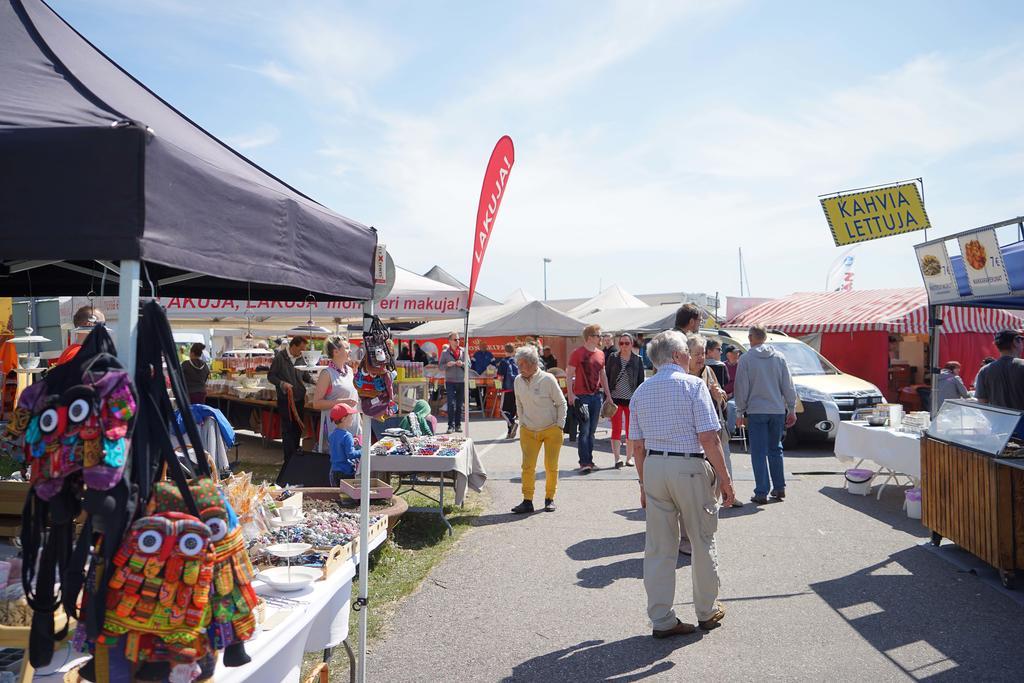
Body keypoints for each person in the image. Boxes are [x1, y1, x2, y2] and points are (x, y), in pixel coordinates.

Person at [629, 330, 734, 639]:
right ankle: (706, 610)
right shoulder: (693, 385)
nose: (691, 357)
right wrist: (726, 481)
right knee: (702, 540)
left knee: (659, 547)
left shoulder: (642, 390)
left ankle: (661, 618)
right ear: (676, 356)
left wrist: (642, 483)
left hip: (654, 466)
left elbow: (637, 446)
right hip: (688, 465)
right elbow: (709, 438)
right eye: (687, 352)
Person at [734, 324, 797, 505]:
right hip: (777, 409)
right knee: (775, 448)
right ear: (765, 336)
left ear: (751, 338)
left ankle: (761, 491)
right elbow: (788, 385)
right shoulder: (779, 357)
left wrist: (740, 410)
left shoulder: (746, 359)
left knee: (759, 452)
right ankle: (779, 487)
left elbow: (741, 387)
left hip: (756, 410)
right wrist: (791, 408)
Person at [512, 345, 568, 514]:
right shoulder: (517, 380)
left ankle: (549, 499)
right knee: (527, 466)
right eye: (518, 364)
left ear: (533, 363)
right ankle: (527, 501)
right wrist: (522, 423)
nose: (520, 368)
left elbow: (561, 403)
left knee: (551, 466)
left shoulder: (548, 379)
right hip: (528, 430)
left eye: (522, 364)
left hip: (551, 429)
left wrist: (560, 425)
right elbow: (518, 404)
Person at [566, 324, 613, 473]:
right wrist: (571, 394)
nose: (601, 338)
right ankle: (584, 462)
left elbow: (603, 375)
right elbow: (569, 374)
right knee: (584, 431)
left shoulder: (600, 354)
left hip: (596, 396)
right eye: (599, 335)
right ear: (590, 337)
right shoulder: (577, 353)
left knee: (592, 431)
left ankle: (589, 461)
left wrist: (608, 395)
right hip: (582, 397)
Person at [268, 336, 313, 482]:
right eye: (301, 348)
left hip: (299, 398)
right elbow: (271, 376)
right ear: (293, 346)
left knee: (298, 428)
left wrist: (314, 380)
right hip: (285, 399)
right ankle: (288, 459)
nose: (302, 352)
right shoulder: (280, 357)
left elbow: (304, 375)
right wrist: (282, 384)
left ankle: (295, 456)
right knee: (287, 429)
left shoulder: (301, 358)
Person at [310, 336, 360, 451]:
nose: (350, 350)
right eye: (346, 348)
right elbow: (316, 404)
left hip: (354, 428)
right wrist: (342, 403)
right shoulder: (326, 374)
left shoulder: (350, 371)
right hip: (335, 432)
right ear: (336, 352)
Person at [605, 333, 645, 468]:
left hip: (631, 400)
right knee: (616, 429)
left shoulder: (637, 360)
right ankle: (617, 458)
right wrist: (607, 397)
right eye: (621, 343)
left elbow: (640, 382)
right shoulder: (613, 358)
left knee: (630, 430)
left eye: (627, 343)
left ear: (632, 344)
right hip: (615, 399)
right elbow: (608, 376)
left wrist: (639, 400)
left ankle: (629, 458)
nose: (624, 346)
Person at [975, 329, 1024, 436]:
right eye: (1022, 340)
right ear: (1016, 341)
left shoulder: (985, 370)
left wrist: (997, 421)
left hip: (1000, 429)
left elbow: (982, 403)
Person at [328, 403, 362, 486]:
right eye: (350, 416)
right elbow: (351, 455)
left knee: (337, 495)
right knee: (348, 496)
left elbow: (338, 446)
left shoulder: (331, 435)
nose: (352, 419)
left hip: (334, 471)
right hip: (346, 472)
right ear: (343, 419)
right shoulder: (347, 436)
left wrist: (351, 442)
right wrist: (363, 451)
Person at [439, 332, 466, 433]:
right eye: (455, 339)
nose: (457, 341)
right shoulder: (445, 352)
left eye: (458, 339)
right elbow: (440, 367)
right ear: (449, 341)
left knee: (459, 404)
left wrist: (462, 364)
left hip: (461, 381)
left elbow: (469, 365)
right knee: (451, 404)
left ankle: (458, 425)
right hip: (450, 381)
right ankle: (451, 425)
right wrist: (447, 364)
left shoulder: (463, 351)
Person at [496, 343, 520, 439]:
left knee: (503, 410)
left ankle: (512, 424)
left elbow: (500, 377)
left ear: (505, 351)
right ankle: (510, 432)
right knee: (512, 412)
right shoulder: (516, 361)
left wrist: (499, 385)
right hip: (517, 388)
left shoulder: (503, 362)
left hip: (507, 388)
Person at [471, 339, 494, 409]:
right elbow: (472, 364)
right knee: (476, 390)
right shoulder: (476, 354)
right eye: (482, 346)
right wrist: (473, 373)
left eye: (485, 346)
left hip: (487, 376)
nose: (484, 347)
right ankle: (478, 404)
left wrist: (491, 371)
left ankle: (484, 404)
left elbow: (493, 365)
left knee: (486, 391)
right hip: (477, 376)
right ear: (479, 347)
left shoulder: (490, 354)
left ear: (487, 346)